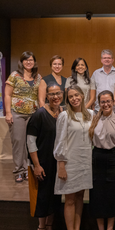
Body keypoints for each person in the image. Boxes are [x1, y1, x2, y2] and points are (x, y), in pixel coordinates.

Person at [53, 85, 94, 230]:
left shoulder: (90, 114)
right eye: (71, 97)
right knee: (69, 199)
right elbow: (60, 141)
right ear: (68, 100)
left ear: (82, 96)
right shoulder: (65, 116)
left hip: (85, 162)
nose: (74, 98)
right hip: (70, 162)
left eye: (76, 95)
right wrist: (61, 165)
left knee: (80, 197)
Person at [26, 82, 63, 230]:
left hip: (57, 163)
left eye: (58, 93)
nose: (55, 96)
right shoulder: (39, 114)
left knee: (55, 196)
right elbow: (30, 141)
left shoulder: (63, 113)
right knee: (43, 196)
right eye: (52, 94)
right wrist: (36, 165)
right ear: (46, 96)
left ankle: (49, 225)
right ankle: (41, 227)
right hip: (42, 162)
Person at [4, 51, 42, 182]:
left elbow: (40, 96)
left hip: (33, 114)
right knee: (19, 142)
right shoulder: (14, 75)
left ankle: (28, 169)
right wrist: (8, 113)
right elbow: (7, 95)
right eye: (26, 60)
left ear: (34, 62)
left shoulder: (38, 77)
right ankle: (18, 170)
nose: (29, 62)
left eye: (31, 60)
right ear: (22, 62)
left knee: (30, 143)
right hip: (17, 114)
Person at [88, 90, 115, 230]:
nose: (106, 104)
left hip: (113, 157)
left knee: (113, 193)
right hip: (97, 156)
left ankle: (110, 227)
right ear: (99, 103)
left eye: (108, 101)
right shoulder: (93, 119)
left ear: (113, 102)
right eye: (103, 102)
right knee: (97, 193)